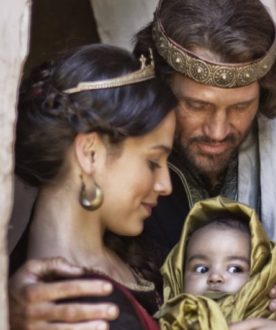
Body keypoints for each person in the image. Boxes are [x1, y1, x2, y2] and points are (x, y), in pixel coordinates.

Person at [8, 0, 276, 329]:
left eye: (240, 107)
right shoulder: (121, 175)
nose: (218, 130)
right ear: (160, 89)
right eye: (197, 106)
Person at [9, 43, 178, 330]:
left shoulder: (125, 252)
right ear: (90, 153)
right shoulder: (81, 313)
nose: (166, 185)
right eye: (153, 161)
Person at [157, 196, 276, 330]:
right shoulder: (168, 321)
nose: (215, 277)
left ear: (261, 276)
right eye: (201, 268)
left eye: (235, 268)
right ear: (177, 275)